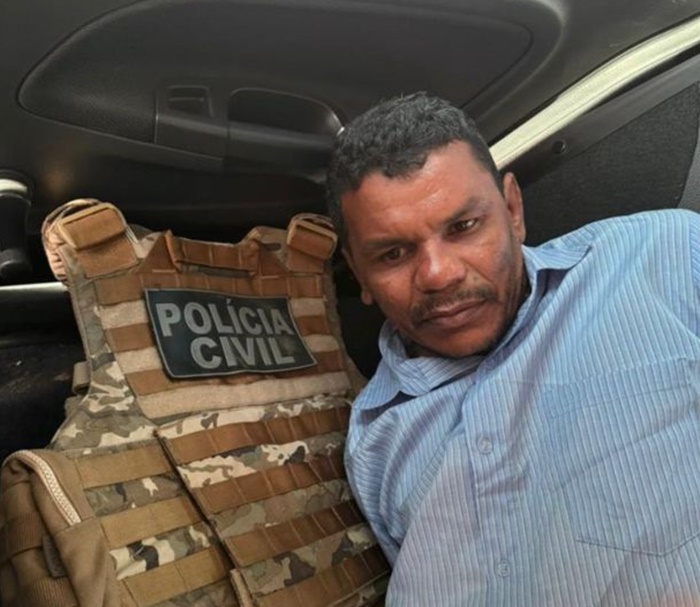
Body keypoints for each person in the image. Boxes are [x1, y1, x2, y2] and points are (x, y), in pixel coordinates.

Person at [325, 92, 700, 606]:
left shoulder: (667, 255)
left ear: (513, 209)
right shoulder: (374, 440)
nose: (439, 274)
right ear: (358, 273)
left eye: (463, 227)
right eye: (393, 253)